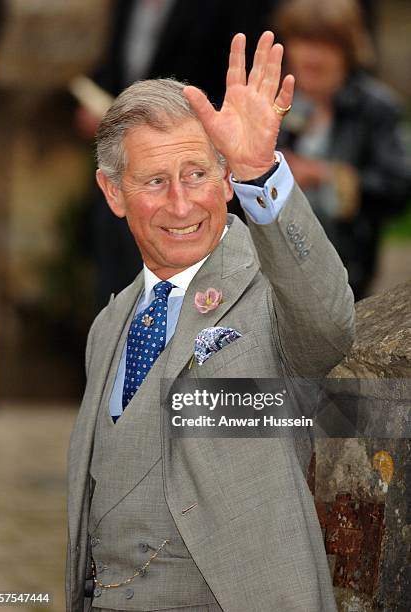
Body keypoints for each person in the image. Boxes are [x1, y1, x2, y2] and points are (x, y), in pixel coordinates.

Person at [67, 32, 355, 611]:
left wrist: (260, 172)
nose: (181, 204)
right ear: (114, 192)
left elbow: (327, 323)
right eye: (154, 181)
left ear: (225, 180)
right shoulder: (108, 325)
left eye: (198, 174)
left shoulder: (270, 290)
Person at [76, 0, 277, 308]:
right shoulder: (126, 5)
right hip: (126, 172)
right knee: (119, 290)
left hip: (197, 159)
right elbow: (120, 66)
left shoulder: (228, 10)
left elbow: (233, 86)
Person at [274, 0, 411, 299]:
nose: (312, 57)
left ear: (348, 50)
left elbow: (397, 188)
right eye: (303, 42)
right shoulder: (266, 99)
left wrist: (328, 177)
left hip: (346, 273)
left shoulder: (376, 108)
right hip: (270, 269)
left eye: (325, 45)